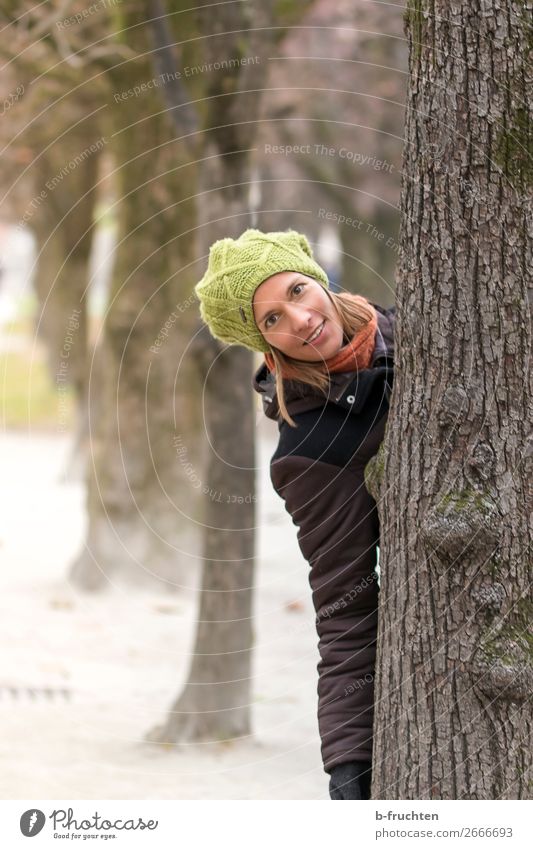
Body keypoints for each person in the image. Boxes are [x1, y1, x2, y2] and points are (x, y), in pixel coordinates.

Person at [194, 228, 395, 800]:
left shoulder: (414, 326)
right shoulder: (311, 449)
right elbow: (343, 605)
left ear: (319, 279)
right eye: (273, 320)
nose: (300, 319)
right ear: (265, 343)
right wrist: (349, 769)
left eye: (298, 291)